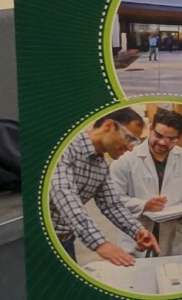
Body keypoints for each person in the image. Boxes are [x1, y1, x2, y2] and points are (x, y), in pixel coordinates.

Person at [48, 107, 158, 267]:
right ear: (108, 126)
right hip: (40, 240)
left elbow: (111, 204)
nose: (130, 147)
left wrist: (137, 230)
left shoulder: (101, 165)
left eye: (135, 142)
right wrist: (100, 243)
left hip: (65, 240)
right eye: (129, 138)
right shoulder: (65, 147)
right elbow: (64, 193)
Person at [113, 106, 182, 256]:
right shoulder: (127, 159)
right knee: (137, 276)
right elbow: (114, 200)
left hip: (174, 231)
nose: (163, 142)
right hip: (137, 231)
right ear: (150, 129)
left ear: (179, 138)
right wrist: (143, 205)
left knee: (172, 275)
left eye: (171, 139)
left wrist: (178, 210)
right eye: (159, 135)